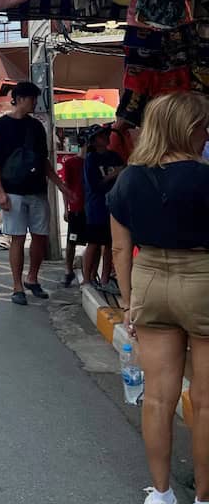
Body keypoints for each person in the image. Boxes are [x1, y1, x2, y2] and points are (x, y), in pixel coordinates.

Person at [108, 92, 209, 504]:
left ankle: (162, 493)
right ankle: (203, 496)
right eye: (203, 126)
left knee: (158, 396)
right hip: (203, 277)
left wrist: (130, 303)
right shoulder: (206, 177)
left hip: (149, 278)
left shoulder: (129, 178)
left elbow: (118, 251)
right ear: (188, 129)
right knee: (204, 402)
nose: (206, 134)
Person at [0, 81, 71, 305]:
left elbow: (43, 160)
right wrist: (0, 193)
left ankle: (32, 278)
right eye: (33, 98)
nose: (35, 103)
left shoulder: (36, 127)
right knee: (17, 238)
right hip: (12, 191)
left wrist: (59, 184)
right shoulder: (1, 126)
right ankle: (17, 286)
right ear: (21, 98)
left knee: (40, 237)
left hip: (37, 190)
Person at [83, 125, 124, 293]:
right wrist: (113, 175)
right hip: (96, 206)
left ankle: (105, 278)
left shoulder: (114, 156)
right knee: (93, 243)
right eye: (101, 136)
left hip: (112, 205)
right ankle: (86, 279)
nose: (106, 137)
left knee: (109, 244)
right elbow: (95, 185)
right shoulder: (91, 159)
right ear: (94, 141)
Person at [59, 134, 87, 288]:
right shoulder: (71, 163)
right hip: (76, 208)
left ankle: (88, 272)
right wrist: (66, 208)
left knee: (95, 241)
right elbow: (65, 186)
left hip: (91, 208)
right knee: (72, 241)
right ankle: (68, 270)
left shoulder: (93, 161)